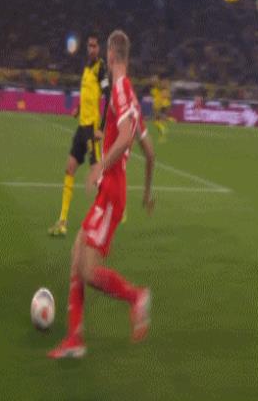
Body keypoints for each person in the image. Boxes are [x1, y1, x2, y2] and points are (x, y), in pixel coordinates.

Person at [48, 30, 155, 359]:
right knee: (76, 255)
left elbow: (125, 138)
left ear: (111, 54)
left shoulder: (120, 88)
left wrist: (100, 168)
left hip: (110, 190)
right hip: (113, 190)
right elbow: (150, 153)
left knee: (88, 270)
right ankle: (74, 339)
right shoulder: (132, 96)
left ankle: (136, 297)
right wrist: (146, 194)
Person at [48, 33, 110, 237]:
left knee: (96, 176)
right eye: (89, 46)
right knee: (69, 168)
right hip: (81, 127)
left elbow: (108, 96)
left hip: (92, 129)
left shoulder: (101, 68)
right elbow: (87, 94)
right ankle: (62, 221)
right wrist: (78, 108)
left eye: (94, 46)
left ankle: (109, 211)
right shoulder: (86, 67)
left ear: (99, 48)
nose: (91, 49)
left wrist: (101, 127)